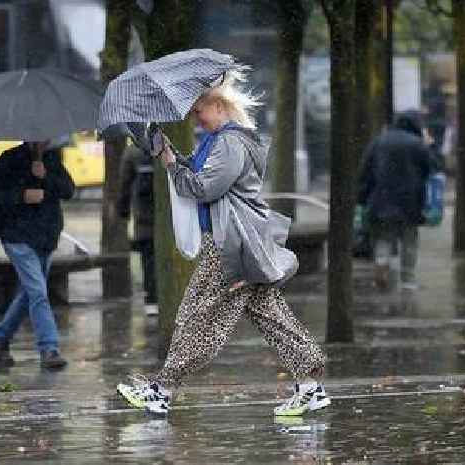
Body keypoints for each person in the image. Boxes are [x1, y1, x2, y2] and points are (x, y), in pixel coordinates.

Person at [116, 70, 329, 417]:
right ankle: (310, 385)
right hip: (241, 242)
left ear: (217, 105)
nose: (196, 118)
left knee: (197, 316)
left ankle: (163, 390)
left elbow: (203, 188)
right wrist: (172, 156)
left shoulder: (230, 142)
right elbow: (203, 179)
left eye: (199, 111)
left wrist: (170, 163)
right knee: (268, 312)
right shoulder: (225, 141)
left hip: (229, 245)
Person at [0, 140, 75, 370]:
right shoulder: (9, 159)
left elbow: (67, 190)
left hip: (45, 237)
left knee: (29, 294)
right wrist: (21, 195)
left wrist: (46, 176)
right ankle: (49, 347)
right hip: (18, 237)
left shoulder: (52, 159)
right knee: (38, 292)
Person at [358, 112, 432, 291]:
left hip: (381, 199)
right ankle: (408, 279)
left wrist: (362, 197)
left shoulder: (378, 141)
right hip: (410, 201)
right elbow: (429, 170)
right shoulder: (417, 144)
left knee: (383, 237)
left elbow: (365, 171)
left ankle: (381, 264)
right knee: (409, 240)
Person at [117, 144, 158, 316]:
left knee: (148, 260)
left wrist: (124, 210)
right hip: (168, 219)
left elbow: (124, 186)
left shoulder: (133, 151)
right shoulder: (169, 145)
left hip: (144, 218)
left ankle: (152, 300)